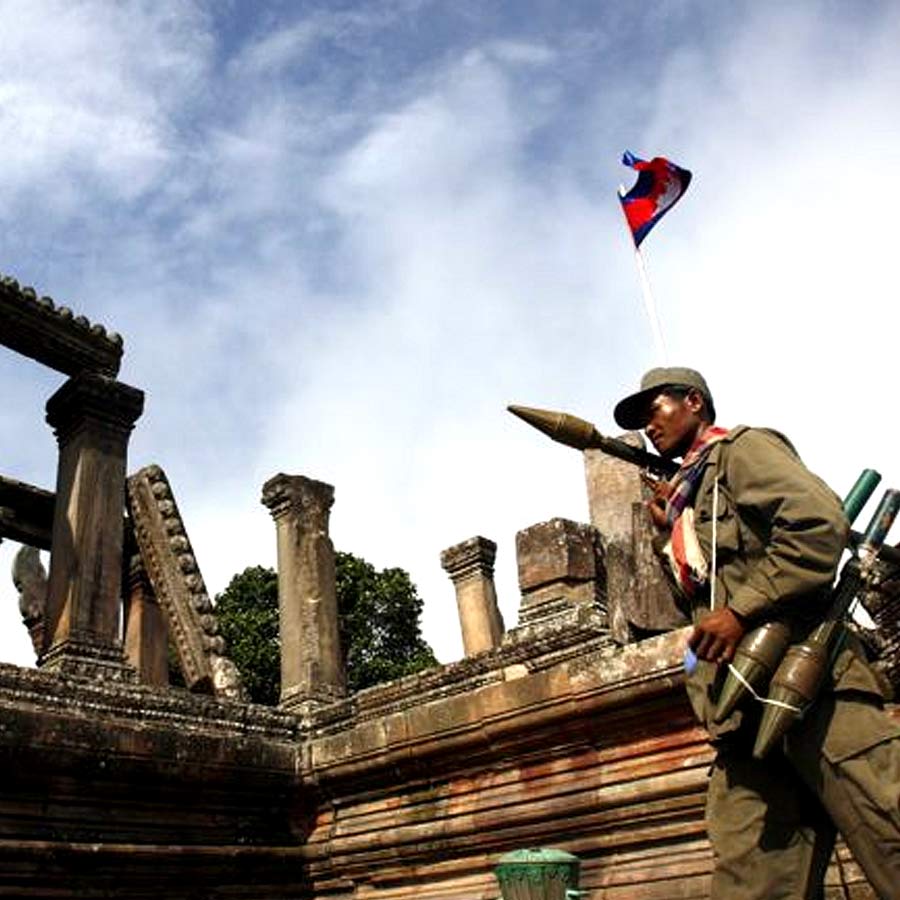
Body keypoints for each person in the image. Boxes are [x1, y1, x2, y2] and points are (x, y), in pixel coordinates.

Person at [613, 366, 900, 900]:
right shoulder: (686, 500)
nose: (648, 426)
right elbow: (702, 602)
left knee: (891, 834)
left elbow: (818, 527)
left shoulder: (743, 452)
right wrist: (664, 536)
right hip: (743, 713)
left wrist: (743, 612)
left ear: (694, 402)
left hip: (815, 689)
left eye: (654, 409)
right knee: (752, 882)